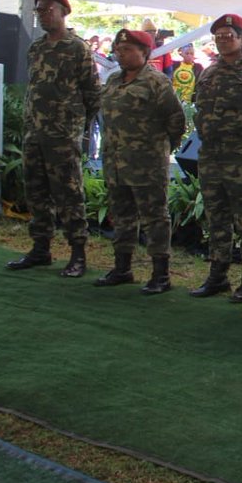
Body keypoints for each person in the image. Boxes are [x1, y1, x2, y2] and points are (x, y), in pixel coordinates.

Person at [6, 0, 101, 278]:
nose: (43, 14)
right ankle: (40, 248)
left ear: (63, 11)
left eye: (48, 9)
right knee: (36, 191)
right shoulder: (36, 48)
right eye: (39, 10)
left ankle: (77, 253)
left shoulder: (77, 48)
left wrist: (78, 128)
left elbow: (92, 93)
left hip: (62, 135)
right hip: (35, 132)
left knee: (68, 193)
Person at [94, 29, 187, 293]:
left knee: (155, 218)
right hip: (116, 163)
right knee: (122, 217)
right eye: (118, 49)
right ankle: (122, 268)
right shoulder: (113, 81)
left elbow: (176, 119)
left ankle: (161, 274)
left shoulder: (156, 82)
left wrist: (160, 148)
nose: (119, 54)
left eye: (126, 50)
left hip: (147, 164)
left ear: (143, 53)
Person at [188, 14, 242, 302]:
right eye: (219, 36)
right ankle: (218, 274)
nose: (223, 40)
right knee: (217, 216)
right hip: (211, 156)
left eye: (229, 35)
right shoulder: (208, 72)